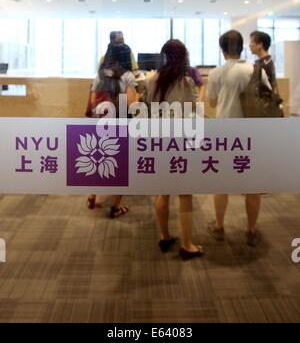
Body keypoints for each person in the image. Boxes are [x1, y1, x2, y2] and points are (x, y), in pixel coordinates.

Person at [206, 30, 269, 246]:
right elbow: (267, 99)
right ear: (242, 47)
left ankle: (219, 226)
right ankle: (251, 230)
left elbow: (212, 103)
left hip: (225, 133)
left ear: (222, 49)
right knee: (252, 184)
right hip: (252, 133)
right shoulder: (255, 70)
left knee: (221, 182)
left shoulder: (216, 73)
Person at [146, 40, 204, 260]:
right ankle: (187, 245)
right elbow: (195, 113)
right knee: (185, 194)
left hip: (159, 140)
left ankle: (164, 235)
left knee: (163, 191)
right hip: (182, 141)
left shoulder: (152, 81)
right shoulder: (187, 82)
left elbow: (148, 112)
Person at [88, 43, 138, 218]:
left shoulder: (100, 74)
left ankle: (93, 195)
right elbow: (132, 104)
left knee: (98, 158)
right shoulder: (128, 76)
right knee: (120, 165)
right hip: (120, 123)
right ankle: (116, 207)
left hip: (101, 123)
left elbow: (93, 100)